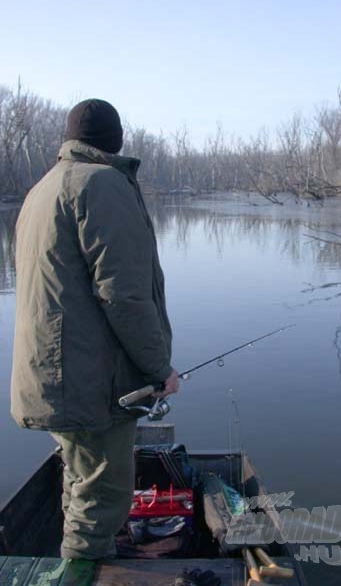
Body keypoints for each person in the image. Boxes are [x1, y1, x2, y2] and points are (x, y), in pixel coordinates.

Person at [10, 98, 179, 559]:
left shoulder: (43, 188)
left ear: (71, 140)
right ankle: (83, 566)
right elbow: (124, 295)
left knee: (78, 480)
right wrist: (158, 368)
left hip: (54, 380)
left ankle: (81, 555)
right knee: (101, 498)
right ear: (116, 140)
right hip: (87, 384)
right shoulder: (102, 184)